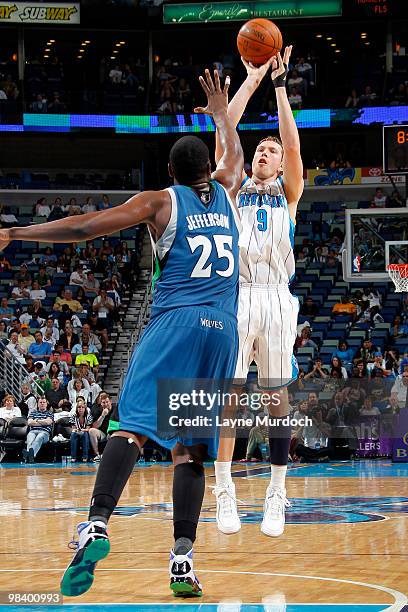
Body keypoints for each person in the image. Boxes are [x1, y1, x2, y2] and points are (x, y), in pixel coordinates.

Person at [0, 68, 243, 598]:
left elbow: (86, 227)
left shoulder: (160, 202)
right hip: (224, 332)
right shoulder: (226, 192)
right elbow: (236, 158)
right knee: (189, 452)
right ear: (207, 169)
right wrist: (223, 115)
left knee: (129, 428)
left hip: (176, 322)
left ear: (171, 172)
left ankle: (96, 523)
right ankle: (182, 560)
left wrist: (16, 231)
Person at [212, 47, 303, 537]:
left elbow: (291, 148)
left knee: (275, 398)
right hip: (237, 293)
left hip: (275, 299)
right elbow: (227, 130)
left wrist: (281, 86)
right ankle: (224, 487)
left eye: (270, 151)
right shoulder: (232, 189)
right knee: (227, 396)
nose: (266, 153)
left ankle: (277, 490)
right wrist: (251, 79)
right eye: (260, 150)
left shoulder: (288, 195)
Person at [23, 397, 54, 463]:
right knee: (30, 438)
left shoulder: (50, 413)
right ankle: (30, 457)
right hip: (32, 431)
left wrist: (36, 420)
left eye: (44, 402)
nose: (42, 404)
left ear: (46, 404)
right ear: (37, 404)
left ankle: (29, 455)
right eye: (40, 402)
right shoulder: (33, 413)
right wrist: (43, 422)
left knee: (39, 437)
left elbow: (48, 422)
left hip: (45, 433)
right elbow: (30, 423)